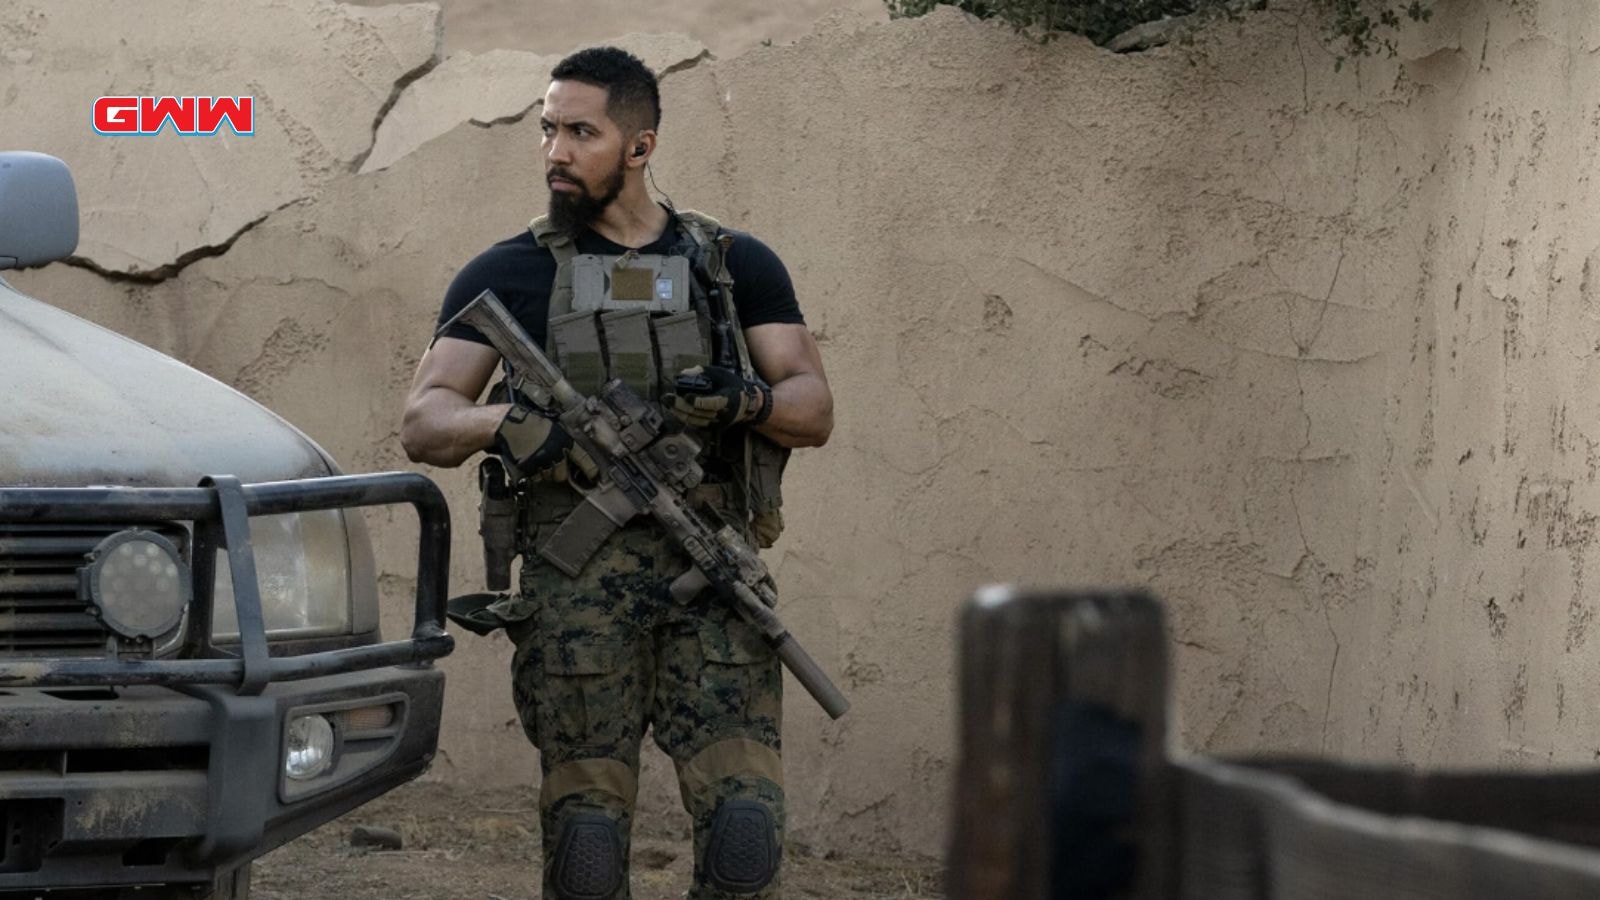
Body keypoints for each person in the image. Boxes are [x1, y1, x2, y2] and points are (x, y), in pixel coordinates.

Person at [400, 45, 833, 900]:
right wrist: (516, 425)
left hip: (711, 575)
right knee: (588, 844)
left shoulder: (732, 266)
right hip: (575, 590)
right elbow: (425, 419)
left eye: (581, 133)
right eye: (548, 130)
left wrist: (744, 399)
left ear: (640, 147)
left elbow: (811, 405)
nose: (556, 151)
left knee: (746, 837)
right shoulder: (509, 273)